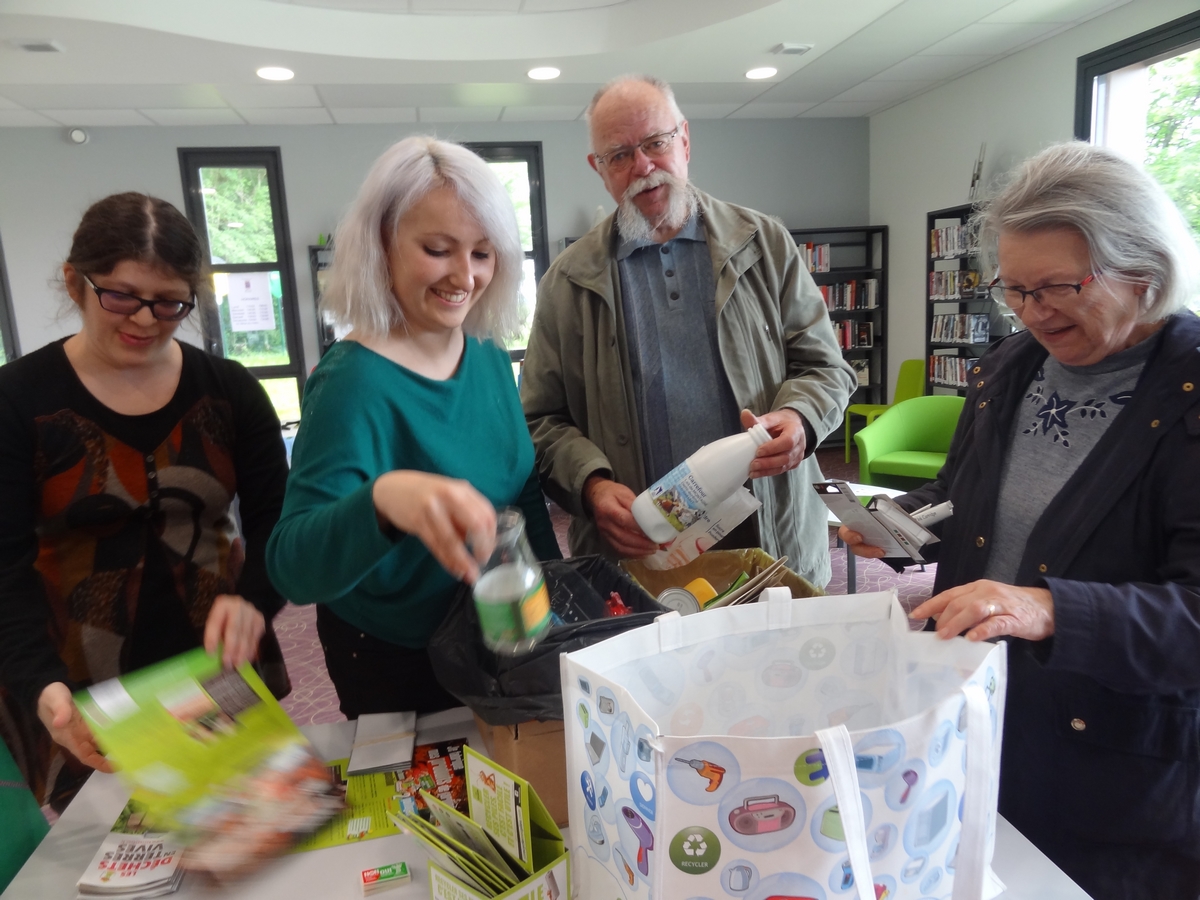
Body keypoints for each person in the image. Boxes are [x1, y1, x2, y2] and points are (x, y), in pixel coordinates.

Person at [841, 143, 1200, 900]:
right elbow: (961, 496)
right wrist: (899, 525)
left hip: (1117, 768)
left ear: (1144, 270)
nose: (1034, 312)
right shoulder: (1011, 368)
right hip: (986, 714)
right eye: (1016, 290)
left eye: (1059, 287)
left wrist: (1048, 608)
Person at [0, 192, 290, 808]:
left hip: (217, 660)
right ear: (75, 282)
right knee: (118, 833)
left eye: (169, 302)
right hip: (80, 676)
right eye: (122, 296)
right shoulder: (17, 401)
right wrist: (39, 683)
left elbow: (278, 522)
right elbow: (4, 568)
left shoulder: (230, 390)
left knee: (245, 819)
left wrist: (255, 600)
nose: (145, 320)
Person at [266, 137, 561, 720]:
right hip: (396, 655)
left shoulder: (486, 352)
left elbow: (518, 487)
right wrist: (383, 501)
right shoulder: (352, 383)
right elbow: (293, 568)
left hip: (493, 623)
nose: (465, 276)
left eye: (482, 253)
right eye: (437, 249)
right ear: (382, 244)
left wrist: (553, 584)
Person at [520, 75, 856, 586]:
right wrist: (591, 485)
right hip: (642, 557)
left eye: (656, 142)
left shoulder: (765, 244)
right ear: (599, 169)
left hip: (772, 541)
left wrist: (800, 417)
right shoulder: (567, 282)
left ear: (685, 140)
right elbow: (541, 419)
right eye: (620, 154)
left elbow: (826, 367)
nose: (643, 166)